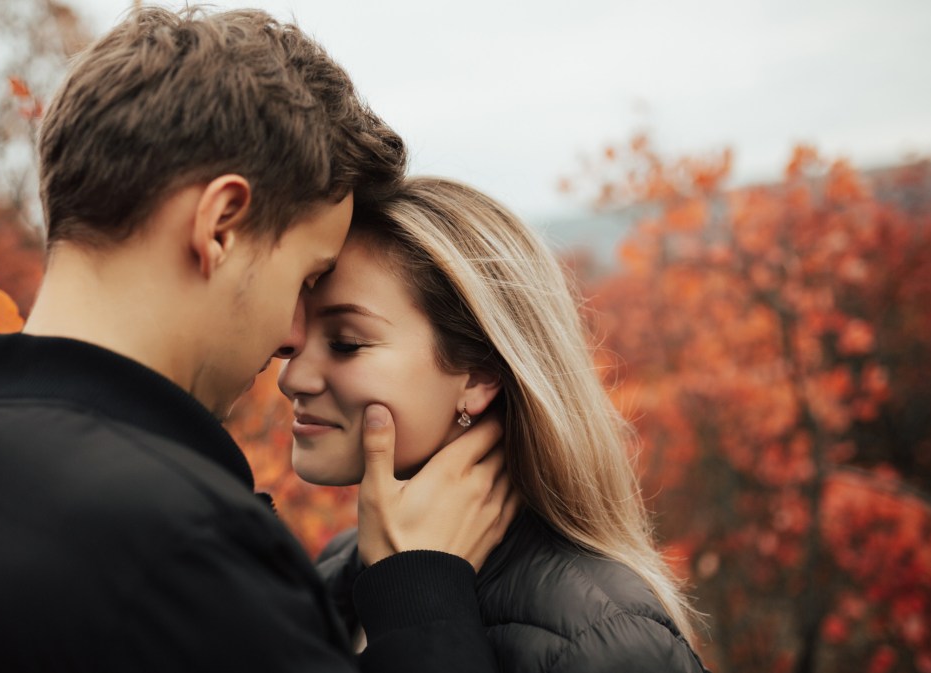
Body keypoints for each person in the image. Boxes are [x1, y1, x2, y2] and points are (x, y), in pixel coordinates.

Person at [0, 9, 516, 672]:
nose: (293, 338)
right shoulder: (189, 559)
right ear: (221, 224)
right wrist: (425, 621)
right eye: (308, 274)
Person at [278, 176, 711, 672]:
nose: (292, 378)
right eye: (297, 338)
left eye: (346, 343)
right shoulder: (340, 566)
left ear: (480, 374)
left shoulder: (605, 637)